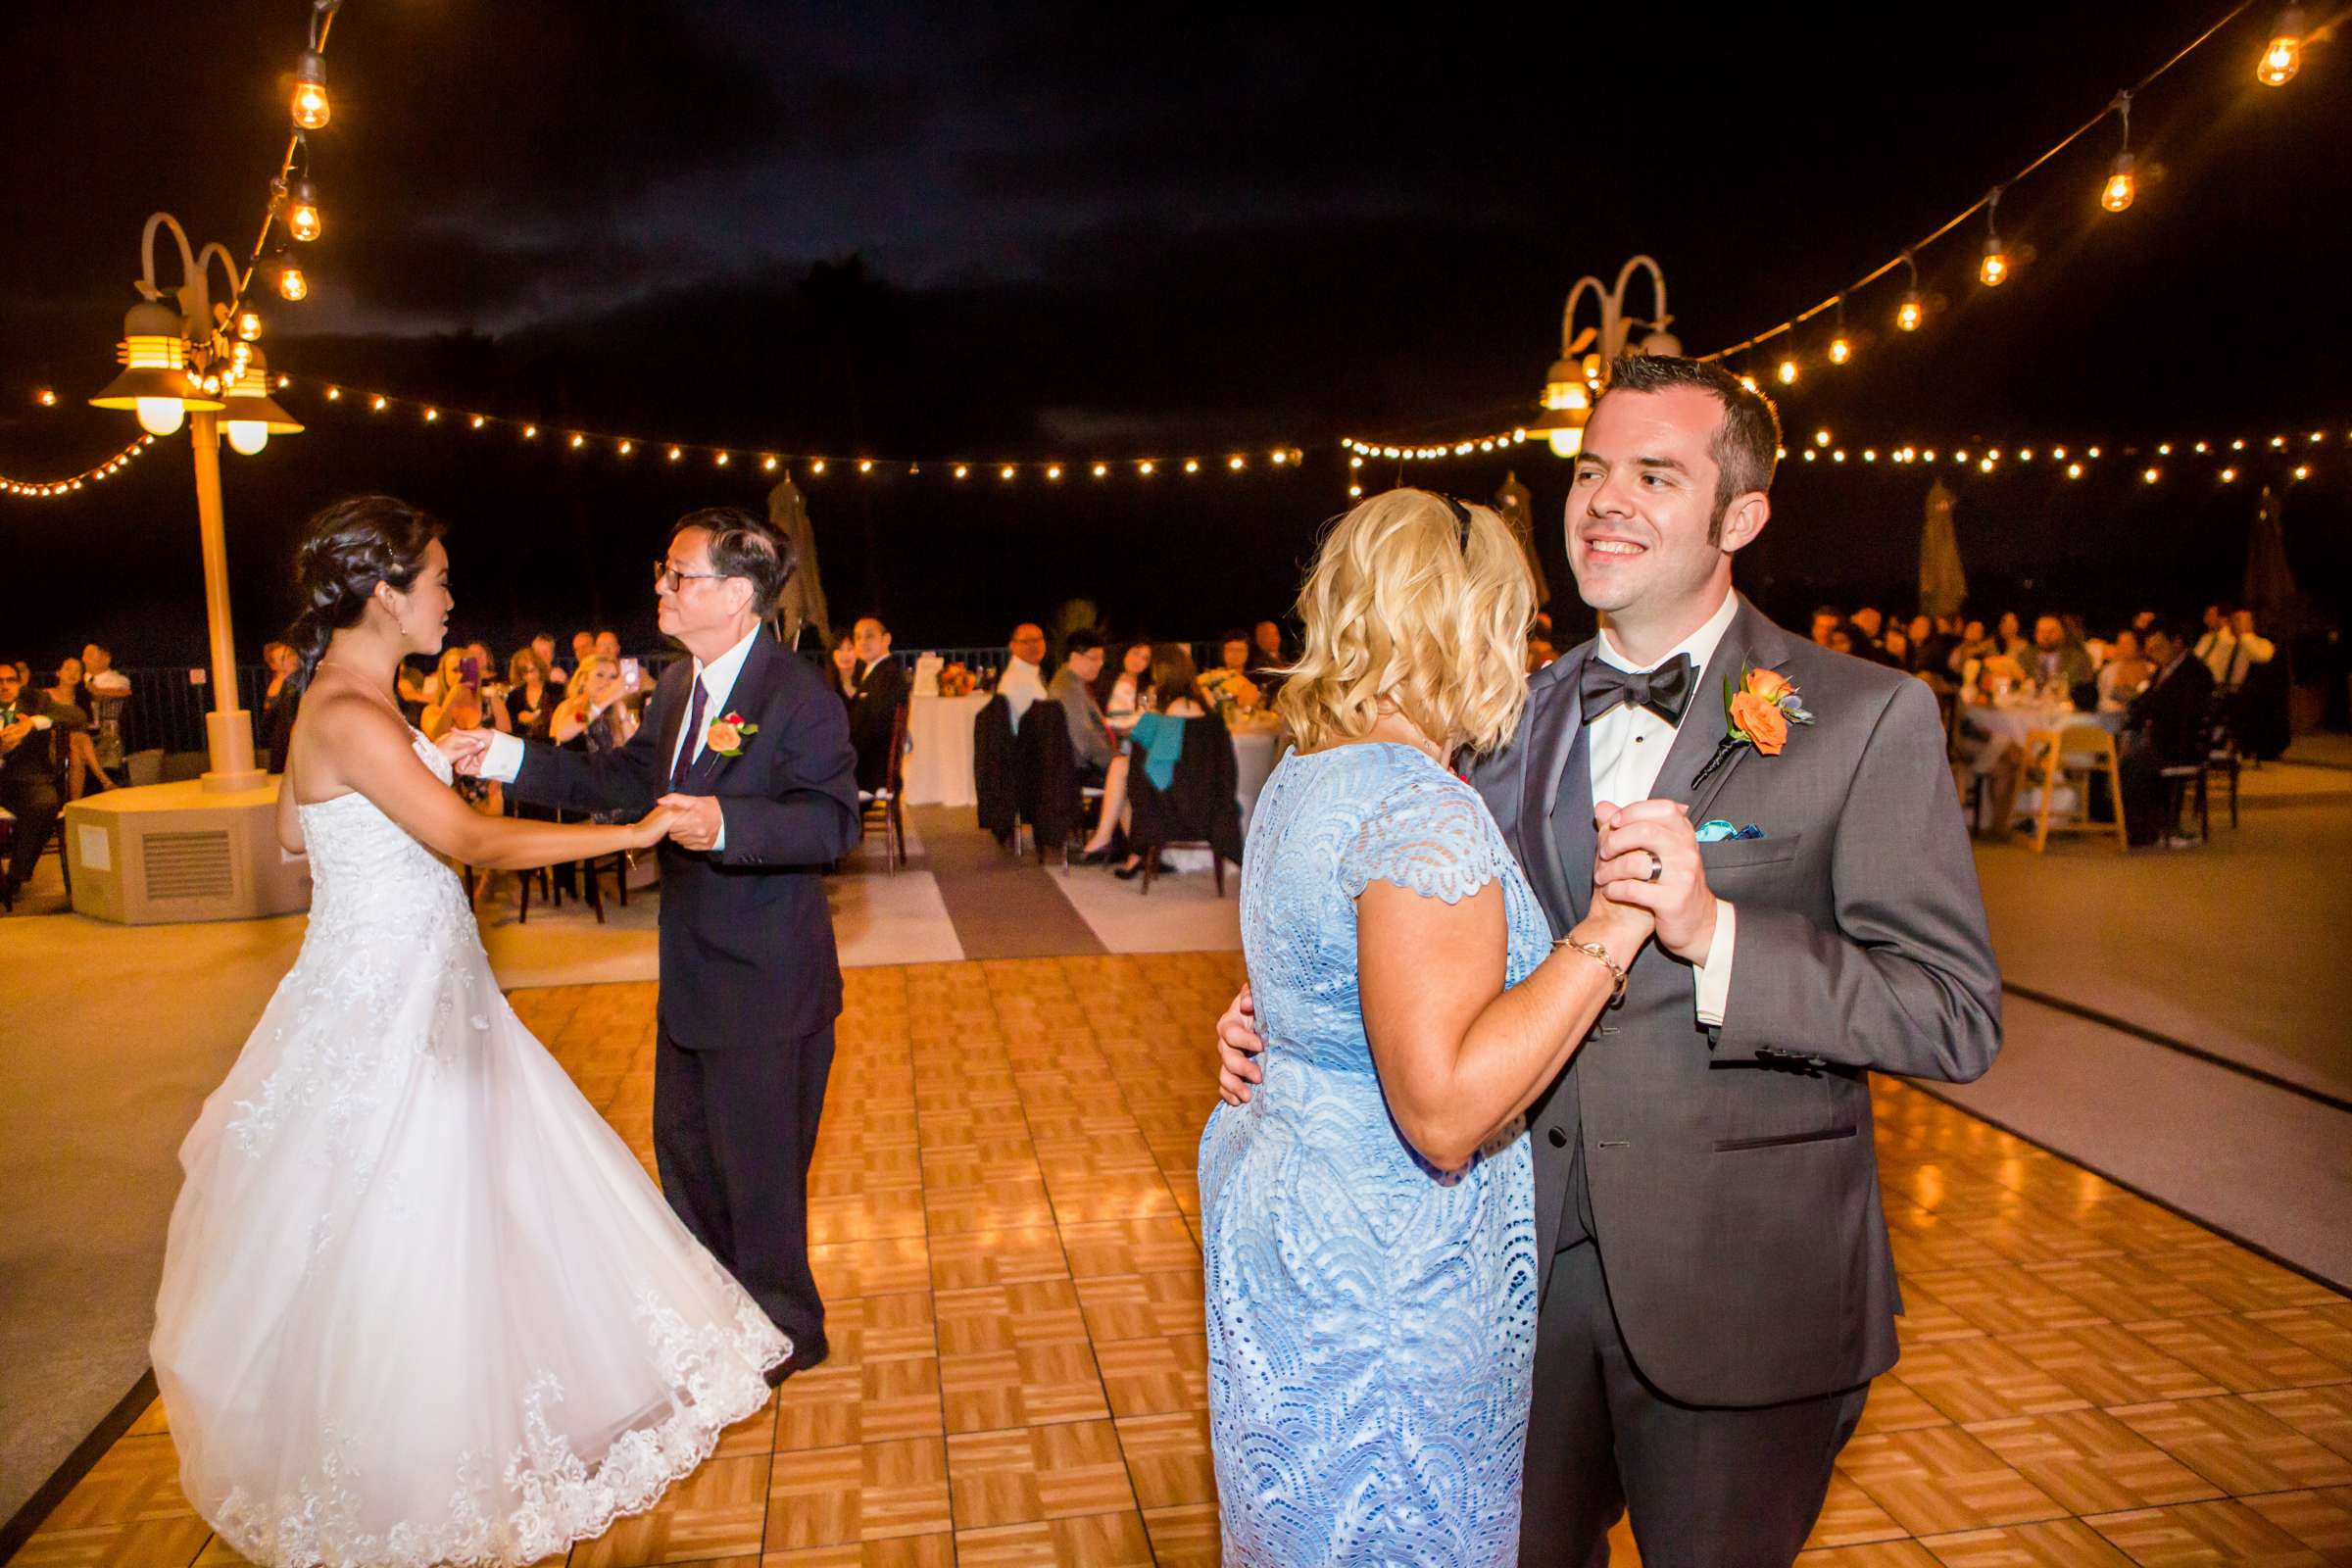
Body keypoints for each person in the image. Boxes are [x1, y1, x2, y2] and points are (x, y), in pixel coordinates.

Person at [1217, 354, 2000, 1565]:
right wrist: (1303, 1015)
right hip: (1497, 1296)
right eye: (1590, 470)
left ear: (1739, 517)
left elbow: (1951, 1011)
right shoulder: (1497, 713)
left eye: (1653, 474)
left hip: (1739, 1293)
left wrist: (1714, 935)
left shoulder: (1864, 713)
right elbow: (1423, 933)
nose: (1604, 500)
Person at [151, 497, 782, 1568]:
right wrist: (627, 830)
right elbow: (468, 841)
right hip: (388, 999)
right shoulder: (351, 712)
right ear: (387, 593)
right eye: (437, 578)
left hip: (413, 975)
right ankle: (405, 1466)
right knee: (402, 1211)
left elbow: (294, 836)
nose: (450, 596)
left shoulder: (344, 699)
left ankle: (479, 1420)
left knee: (462, 1200)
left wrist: (407, 777)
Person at [1198, 490, 1652, 1565]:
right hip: (1390, 1264)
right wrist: (1611, 928)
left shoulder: (1304, 774)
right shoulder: (1419, 809)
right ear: (1472, 626)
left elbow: (1317, 994)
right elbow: (1444, 1111)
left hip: (1286, 1211)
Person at [450, 507, 860, 1385]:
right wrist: (507, 757)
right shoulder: (679, 687)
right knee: (687, 1154)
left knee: (760, 1173)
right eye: (665, 571)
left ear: (739, 594)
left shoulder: (797, 695)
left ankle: (788, 1330)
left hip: (768, 982)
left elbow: (833, 824)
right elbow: (622, 780)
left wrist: (725, 822)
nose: (662, 588)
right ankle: (719, 1317)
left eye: (681, 575)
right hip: (692, 973)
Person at [1081, 643, 1204, 873]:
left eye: (1151, 664)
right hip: (1184, 777)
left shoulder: (1175, 704)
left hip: (1178, 785)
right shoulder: (1192, 699)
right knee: (1122, 770)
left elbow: (1153, 746)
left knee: (1122, 772)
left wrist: (1148, 720)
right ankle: (1134, 851)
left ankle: (1113, 841)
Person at [2119, 622, 2217, 847]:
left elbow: (2177, 711)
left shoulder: (2194, 672)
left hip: (2182, 745)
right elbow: (2146, 702)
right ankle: (2130, 824)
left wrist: (2143, 714)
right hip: (2163, 740)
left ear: (2177, 642)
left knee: (2134, 763)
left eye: (2159, 647)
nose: (2154, 654)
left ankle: (2142, 830)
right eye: (2150, 649)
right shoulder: (2165, 669)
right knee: (2124, 754)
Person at [1, 662, 72, 899]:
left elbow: (75, 716)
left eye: (10, 680)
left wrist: (32, 723)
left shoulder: (35, 701)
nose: (4, 686)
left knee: (45, 803)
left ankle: (15, 877)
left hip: (28, 779)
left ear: (19, 682)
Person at [844, 616, 908, 791]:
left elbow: (875, 726)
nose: (862, 642)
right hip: (865, 762)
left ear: (886, 639)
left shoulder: (887, 676)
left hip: (868, 769)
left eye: (869, 636)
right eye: (858, 637)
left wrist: (839, 751)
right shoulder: (876, 673)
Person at [1049, 626, 1116, 785]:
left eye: (1101, 658)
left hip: (1086, 765)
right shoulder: (1067, 689)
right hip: (1081, 771)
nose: (1100, 664)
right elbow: (1086, 742)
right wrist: (1117, 763)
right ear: (1074, 657)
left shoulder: (1074, 683)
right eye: (1094, 658)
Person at [44, 656, 113, 800]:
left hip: (74, 747)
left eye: (77, 670)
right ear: (58, 672)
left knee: (76, 753)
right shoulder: (46, 695)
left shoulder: (81, 699)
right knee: (79, 739)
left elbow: (87, 727)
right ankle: (104, 780)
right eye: (68, 668)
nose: (72, 673)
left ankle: (75, 803)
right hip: (50, 744)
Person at [1095, 636, 1154, 732]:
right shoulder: (1106, 676)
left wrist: (1109, 723)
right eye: (1136, 653)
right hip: (1102, 731)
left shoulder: (1148, 688)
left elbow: (1143, 717)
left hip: (1130, 733)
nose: (1137, 660)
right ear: (1126, 652)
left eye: (1145, 658)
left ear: (1148, 665)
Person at [2031, 614, 2093, 698]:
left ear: (2062, 633)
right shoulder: (2026, 656)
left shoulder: (2079, 659)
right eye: (2041, 631)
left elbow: (2085, 688)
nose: (2046, 636)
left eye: (2051, 632)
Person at [999, 622, 1049, 726]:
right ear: (1012, 646)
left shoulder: (1031, 672)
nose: (1034, 645)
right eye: (1026, 641)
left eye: (1038, 639)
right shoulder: (1016, 679)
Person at [2095, 626, 2156, 710]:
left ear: (2139, 646)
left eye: (2128, 644)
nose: (2122, 648)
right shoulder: (2108, 670)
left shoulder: (2152, 670)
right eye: (2120, 643)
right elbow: (2101, 696)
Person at [507, 647, 559, 740]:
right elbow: (509, 726)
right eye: (525, 673)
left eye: (532, 670)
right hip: (524, 745)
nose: (530, 676)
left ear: (539, 667)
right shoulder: (514, 696)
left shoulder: (555, 690)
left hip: (551, 746)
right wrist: (520, 720)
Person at [828, 628, 859, 703]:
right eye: (840, 649)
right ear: (832, 655)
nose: (845, 655)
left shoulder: (867, 681)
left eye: (850, 649)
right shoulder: (826, 685)